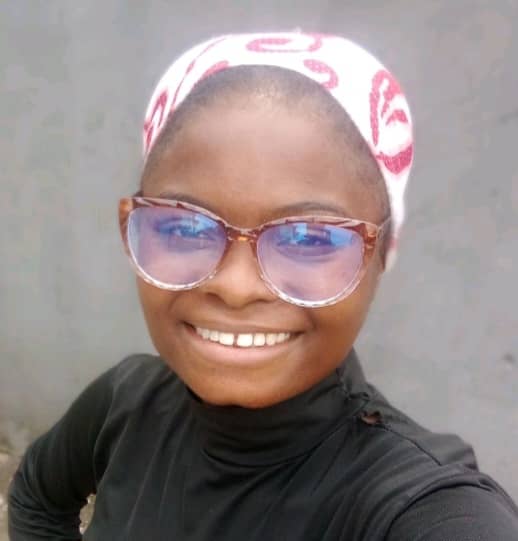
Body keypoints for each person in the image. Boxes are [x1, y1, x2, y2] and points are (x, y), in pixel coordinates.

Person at [8, 32, 518, 540]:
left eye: (309, 238)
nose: (235, 287)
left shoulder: (418, 506)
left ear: (382, 254)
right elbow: (35, 496)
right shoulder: (126, 404)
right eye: (184, 227)